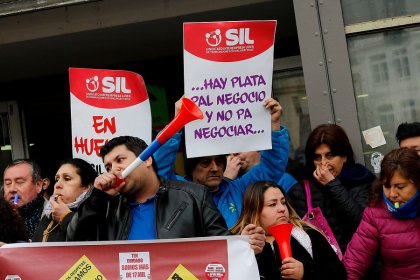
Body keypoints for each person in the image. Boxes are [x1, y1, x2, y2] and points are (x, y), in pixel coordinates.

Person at [66, 136, 265, 254]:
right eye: (108, 166)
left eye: (120, 160)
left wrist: (244, 243)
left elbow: (222, 246)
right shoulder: (105, 205)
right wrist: (96, 199)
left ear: (147, 160)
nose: (114, 169)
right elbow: (74, 243)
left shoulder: (194, 196)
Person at [155, 97, 289, 228]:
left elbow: (272, 167)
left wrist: (273, 125)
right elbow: (159, 168)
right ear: (191, 167)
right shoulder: (176, 190)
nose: (214, 168)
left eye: (219, 161)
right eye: (205, 162)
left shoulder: (238, 189)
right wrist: (176, 122)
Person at [231, 181, 346, 280]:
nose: (282, 209)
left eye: (283, 202)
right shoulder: (237, 242)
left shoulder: (307, 234)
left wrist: (306, 272)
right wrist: (242, 250)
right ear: (255, 211)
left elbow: (339, 275)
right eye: (272, 204)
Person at [288, 124, 376, 253]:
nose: (323, 163)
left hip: (357, 262)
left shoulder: (363, 181)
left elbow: (363, 225)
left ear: (344, 157)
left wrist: (332, 184)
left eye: (330, 156)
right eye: (317, 157)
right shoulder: (300, 191)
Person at [343, 148, 420, 280]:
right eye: (387, 186)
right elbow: (354, 263)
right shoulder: (375, 214)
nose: (392, 194)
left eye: (400, 187)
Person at [32, 158, 97, 242]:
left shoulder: (93, 213)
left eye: (67, 179)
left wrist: (66, 217)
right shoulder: (49, 213)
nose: (57, 185)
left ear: (86, 188)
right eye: (57, 179)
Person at [3, 159, 47, 239]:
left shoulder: (53, 215)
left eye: (19, 182)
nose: (12, 189)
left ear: (38, 185)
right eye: (8, 183)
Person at [224, 151, 298, 193]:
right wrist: (225, 180)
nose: (235, 152)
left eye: (242, 146)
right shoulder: (227, 181)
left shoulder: (284, 180)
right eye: (231, 148)